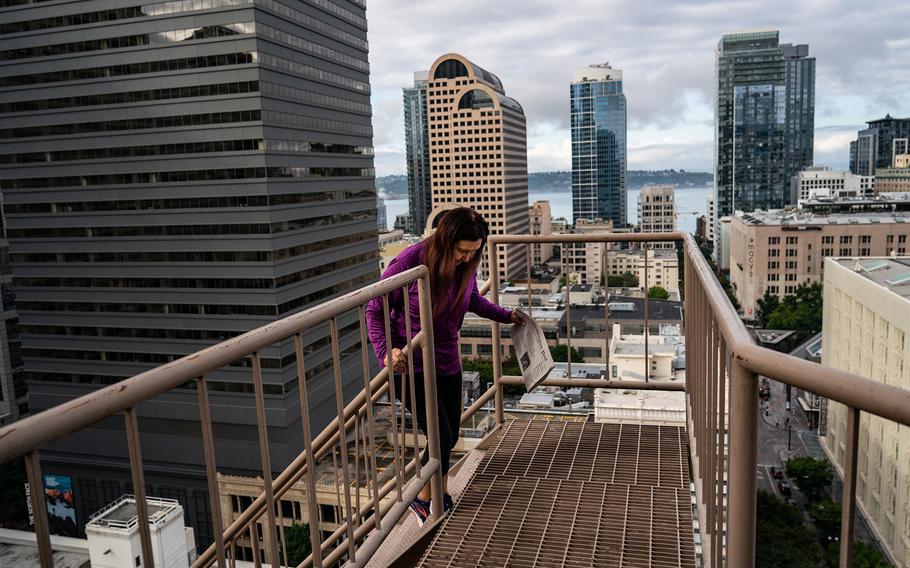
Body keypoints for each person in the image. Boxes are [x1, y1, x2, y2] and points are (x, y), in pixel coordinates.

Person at [365, 207, 522, 526]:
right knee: (440, 433)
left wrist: (506, 316)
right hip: (411, 365)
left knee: (447, 437)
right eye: (463, 250)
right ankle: (429, 498)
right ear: (446, 239)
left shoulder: (468, 263)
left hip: (448, 361)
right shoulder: (410, 261)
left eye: (474, 252)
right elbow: (374, 308)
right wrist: (386, 350)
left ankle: (432, 495)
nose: (467, 258)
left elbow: (472, 300)